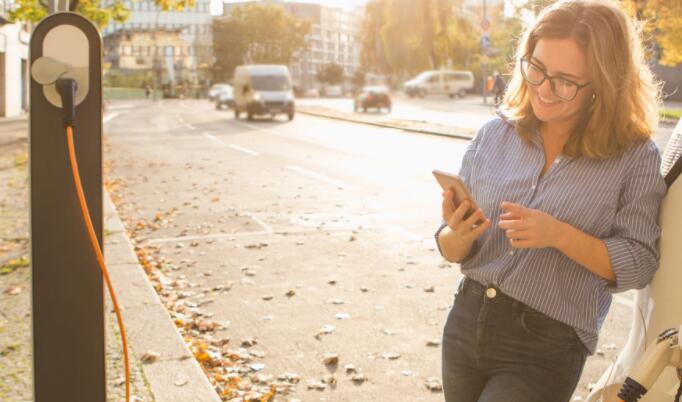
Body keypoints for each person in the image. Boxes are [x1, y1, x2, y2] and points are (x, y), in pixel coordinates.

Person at [435, 1, 666, 401]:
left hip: (545, 346)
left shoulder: (635, 157)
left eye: (564, 81)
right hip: (466, 321)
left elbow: (640, 262)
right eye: (536, 68)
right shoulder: (495, 134)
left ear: (603, 84)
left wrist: (559, 235)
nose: (543, 88)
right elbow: (450, 248)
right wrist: (456, 233)